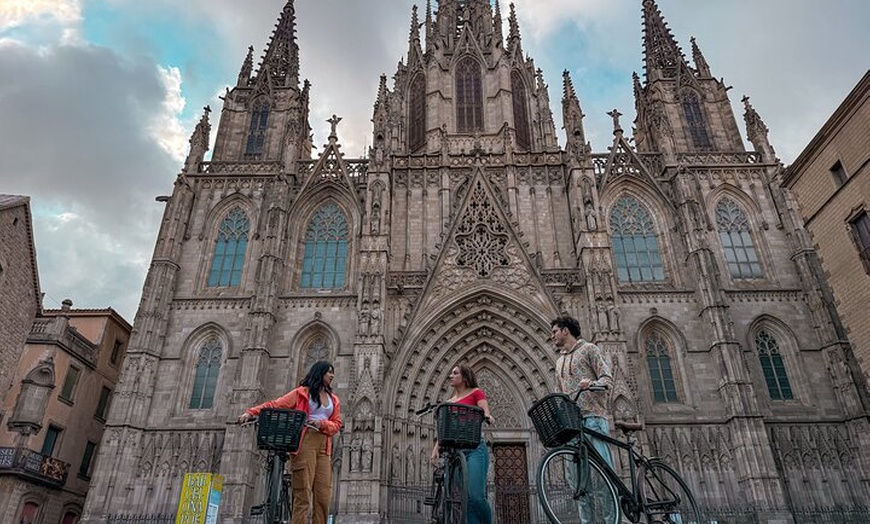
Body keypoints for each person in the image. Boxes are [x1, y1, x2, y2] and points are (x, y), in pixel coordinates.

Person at [238, 361, 342, 524]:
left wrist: (322, 424)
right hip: (304, 441)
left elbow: (336, 424)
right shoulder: (302, 393)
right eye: (329, 372)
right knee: (303, 493)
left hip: (324, 445)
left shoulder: (333, 400)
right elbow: (276, 404)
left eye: (332, 372)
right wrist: (251, 412)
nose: (332, 375)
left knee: (323, 496)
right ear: (319, 373)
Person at [429, 365, 494, 524]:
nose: (450, 375)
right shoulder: (448, 403)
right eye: (451, 372)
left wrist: (487, 416)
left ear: (464, 377)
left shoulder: (476, 392)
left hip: (475, 449)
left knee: (477, 497)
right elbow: (445, 428)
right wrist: (436, 449)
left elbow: (483, 408)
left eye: (455, 373)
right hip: (456, 454)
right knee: (467, 501)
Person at [550, 315, 614, 466]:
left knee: (601, 470)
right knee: (575, 473)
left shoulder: (589, 349)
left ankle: (610, 490)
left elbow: (608, 380)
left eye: (555, 332)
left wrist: (592, 384)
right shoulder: (559, 362)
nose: (552, 336)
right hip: (572, 423)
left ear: (565, 331)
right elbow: (559, 394)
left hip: (593, 417)